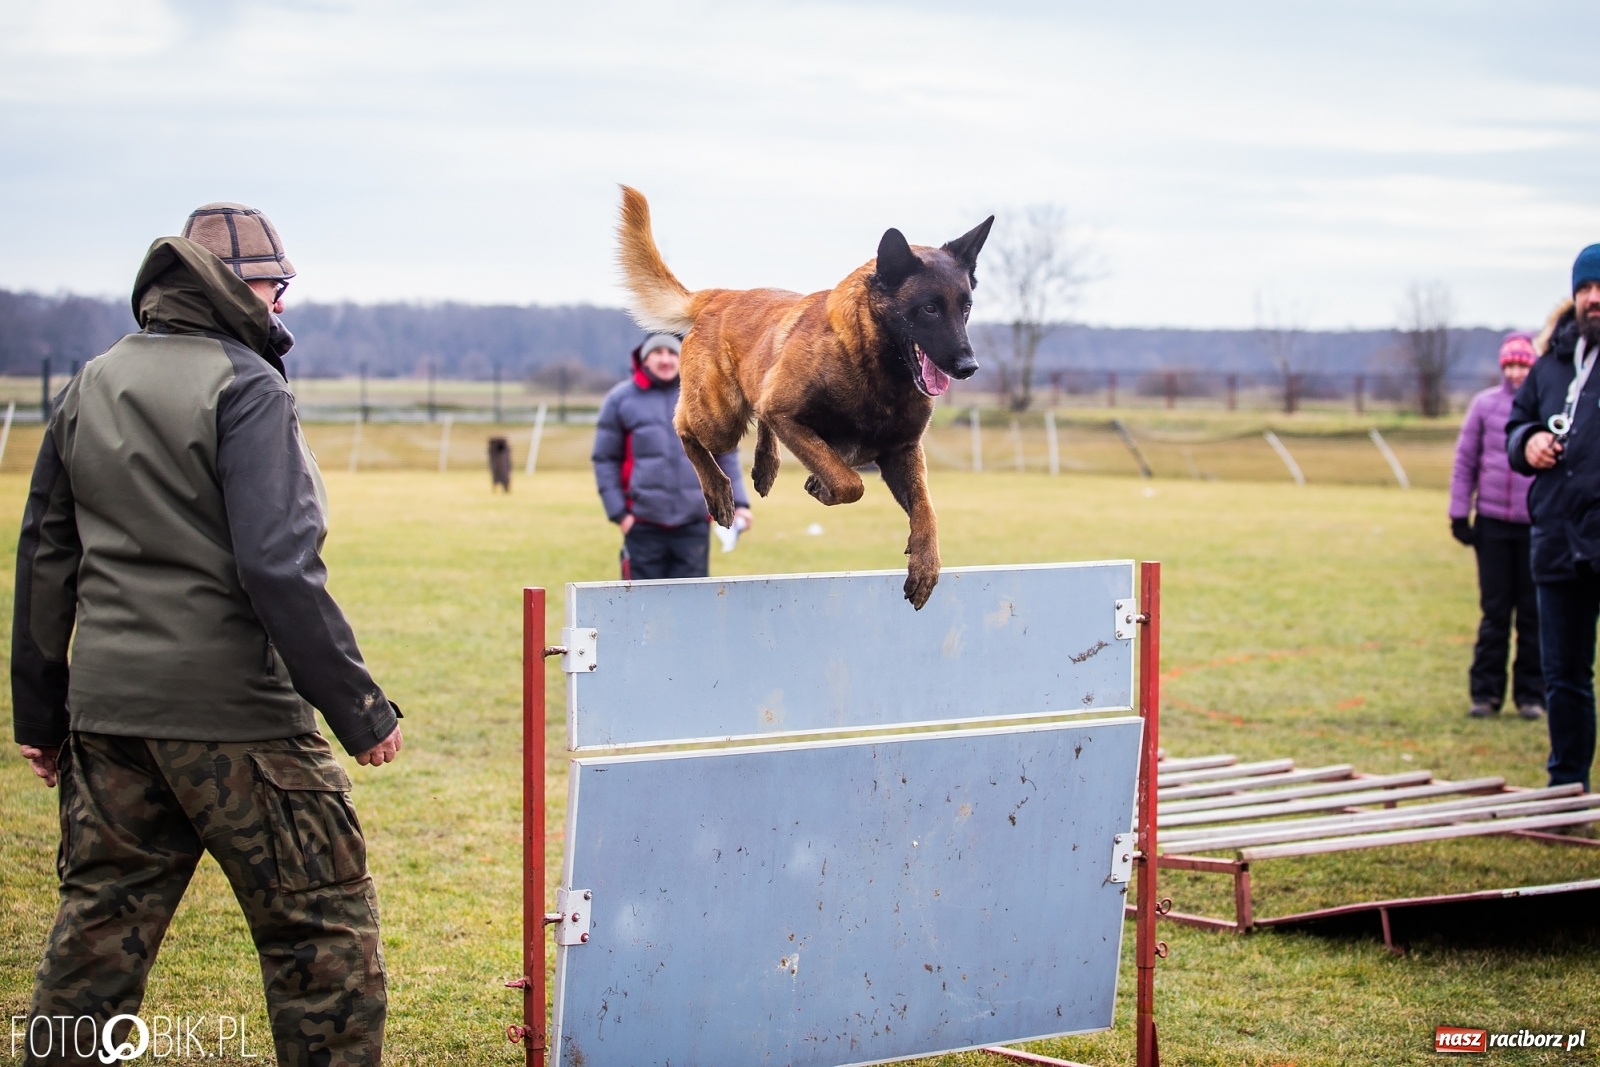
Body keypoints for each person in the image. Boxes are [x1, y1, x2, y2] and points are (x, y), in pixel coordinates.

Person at [12, 203, 401, 1066]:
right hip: (240, 723)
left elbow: (46, 554)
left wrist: (40, 719)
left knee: (94, 943)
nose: (284, 304)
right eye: (276, 286)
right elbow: (277, 565)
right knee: (323, 941)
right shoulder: (249, 386)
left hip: (108, 721)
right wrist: (361, 707)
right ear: (233, 287)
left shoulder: (89, 382)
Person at [1506, 242, 1600, 791]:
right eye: (1585, 289)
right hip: (1558, 541)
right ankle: (1567, 784)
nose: (1594, 299)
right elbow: (1514, 428)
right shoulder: (1550, 365)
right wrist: (1531, 442)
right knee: (1564, 676)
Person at [592, 333, 752, 579]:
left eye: (671, 353)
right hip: (642, 524)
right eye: (658, 352)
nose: (665, 360)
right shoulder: (619, 400)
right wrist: (621, 515)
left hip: (694, 523)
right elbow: (605, 460)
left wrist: (739, 504)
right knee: (641, 609)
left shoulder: (706, 398)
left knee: (690, 608)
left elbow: (726, 454)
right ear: (645, 359)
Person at [1449, 333, 1543, 720]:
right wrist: (1459, 512)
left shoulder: (1543, 406)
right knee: (1495, 613)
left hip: (1535, 526)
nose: (1517, 372)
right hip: (1491, 524)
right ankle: (1485, 695)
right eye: (1511, 365)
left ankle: (1532, 697)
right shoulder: (1484, 406)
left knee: (1533, 615)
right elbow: (1465, 461)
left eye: (1523, 364)